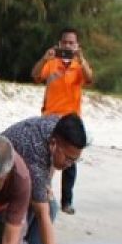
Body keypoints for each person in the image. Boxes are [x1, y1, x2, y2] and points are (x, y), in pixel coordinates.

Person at [2, 113, 87, 244]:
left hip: (23, 174)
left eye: (75, 160)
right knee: (40, 212)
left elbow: (50, 161)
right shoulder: (34, 151)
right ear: (54, 144)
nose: (70, 165)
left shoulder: (57, 128)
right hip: (0, 179)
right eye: (69, 158)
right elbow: (42, 214)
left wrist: (46, 183)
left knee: (51, 206)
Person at [31, 27, 94, 215]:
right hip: (50, 116)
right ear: (59, 44)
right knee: (48, 155)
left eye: (71, 43)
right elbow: (35, 75)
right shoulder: (51, 62)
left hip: (72, 117)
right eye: (65, 42)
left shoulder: (79, 65)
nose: (67, 46)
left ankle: (67, 201)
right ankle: (45, 190)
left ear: (77, 45)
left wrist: (81, 60)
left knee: (70, 160)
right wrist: (44, 58)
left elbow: (90, 79)